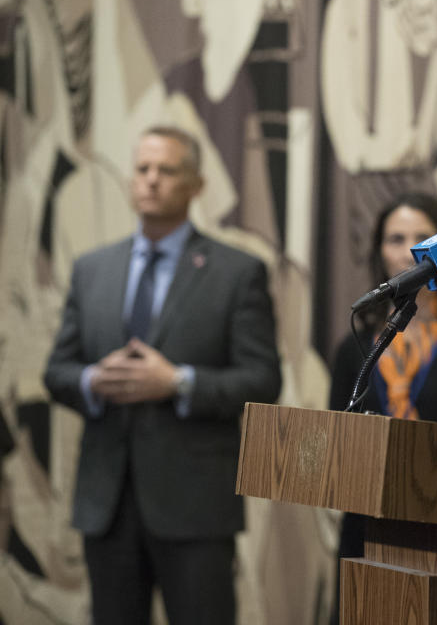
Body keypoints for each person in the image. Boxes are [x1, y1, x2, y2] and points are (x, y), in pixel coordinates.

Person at [44, 125, 282, 625]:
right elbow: (58, 372)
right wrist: (92, 381)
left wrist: (179, 383)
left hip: (195, 508)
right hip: (106, 504)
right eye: (143, 169)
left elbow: (262, 380)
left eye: (167, 170)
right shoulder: (92, 269)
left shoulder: (237, 272)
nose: (151, 180)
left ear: (196, 185)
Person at [327, 192, 437, 624]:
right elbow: (337, 437)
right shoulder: (354, 348)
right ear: (379, 251)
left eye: (422, 237)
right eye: (395, 238)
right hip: (365, 524)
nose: (408, 250)